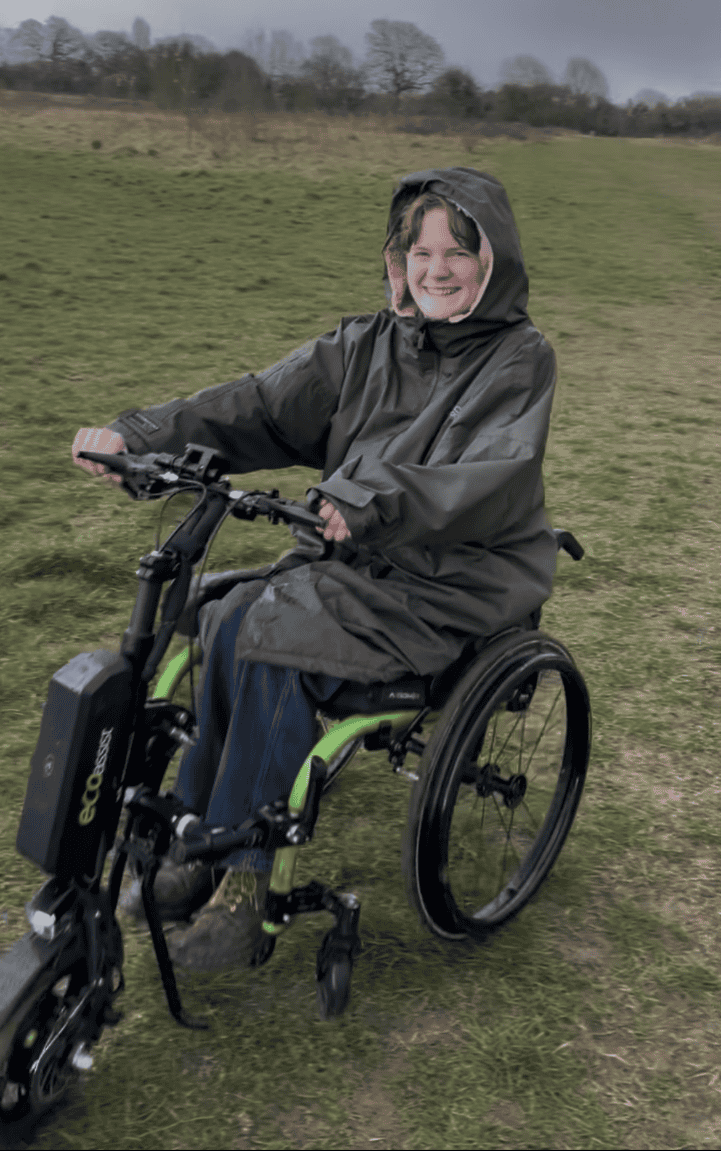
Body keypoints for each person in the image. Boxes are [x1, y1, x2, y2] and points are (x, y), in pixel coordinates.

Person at [72, 166, 557, 971]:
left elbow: (490, 475)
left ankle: (247, 881)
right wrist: (140, 435)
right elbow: (257, 404)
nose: (434, 268)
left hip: (452, 578)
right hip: (353, 555)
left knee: (272, 632)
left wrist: (367, 498)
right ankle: (198, 832)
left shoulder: (519, 358)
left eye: (456, 251)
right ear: (396, 259)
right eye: (418, 249)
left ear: (493, 260)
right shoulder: (363, 345)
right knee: (217, 613)